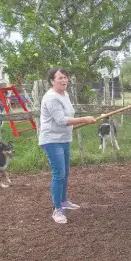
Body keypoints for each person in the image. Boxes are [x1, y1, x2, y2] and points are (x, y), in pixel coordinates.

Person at [39, 67, 97, 224]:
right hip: (52, 140)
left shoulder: (64, 94)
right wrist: (84, 119)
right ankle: (57, 209)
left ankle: (64, 201)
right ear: (52, 81)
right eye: (60, 78)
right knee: (59, 174)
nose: (64, 80)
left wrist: (83, 120)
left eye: (65, 77)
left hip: (64, 138)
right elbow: (61, 120)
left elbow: (67, 116)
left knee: (65, 173)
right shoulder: (51, 98)